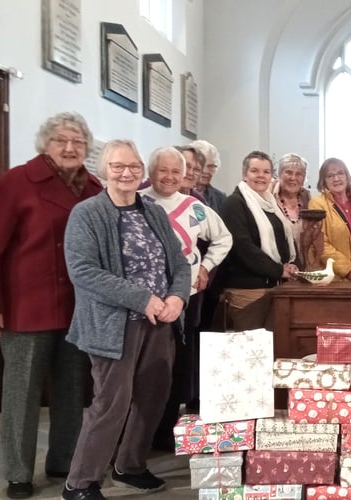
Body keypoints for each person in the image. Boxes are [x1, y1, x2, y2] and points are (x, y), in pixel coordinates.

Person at [0, 111, 103, 499]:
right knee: (21, 394)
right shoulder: (17, 182)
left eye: (77, 141)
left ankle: (64, 462)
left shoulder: (94, 187)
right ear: (45, 144)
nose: (69, 147)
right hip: (26, 308)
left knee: (71, 392)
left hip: (79, 309)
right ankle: (17, 472)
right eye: (61, 139)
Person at [61, 140, 190, 500]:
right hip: (113, 325)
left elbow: (179, 264)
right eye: (118, 166)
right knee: (111, 404)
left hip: (159, 322)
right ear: (103, 172)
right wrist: (141, 297)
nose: (127, 173)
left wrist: (178, 296)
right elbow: (83, 271)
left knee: (153, 397)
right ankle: (81, 483)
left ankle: (129, 465)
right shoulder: (87, 214)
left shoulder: (152, 211)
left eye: (133, 166)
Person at [139, 146, 232, 449]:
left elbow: (224, 238)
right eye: (162, 170)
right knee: (140, 368)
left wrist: (205, 266)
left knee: (174, 367)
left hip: (183, 299)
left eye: (175, 171)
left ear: (184, 175)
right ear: (151, 173)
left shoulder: (194, 207)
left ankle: (165, 430)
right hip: (143, 299)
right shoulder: (138, 201)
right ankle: (135, 438)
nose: (169, 177)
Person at [220, 151, 299, 330]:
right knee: (251, 349)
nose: (261, 176)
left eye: (266, 172)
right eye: (255, 171)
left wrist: (291, 264)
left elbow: (285, 239)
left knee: (272, 345)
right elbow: (243, 247)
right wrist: (279, 270)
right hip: (247, 289)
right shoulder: (234, 203)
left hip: (272, 285)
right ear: (244, 174)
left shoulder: (270, 204)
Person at [308, 157, 351, 281]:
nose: (337, 178)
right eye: (330, 175)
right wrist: (348, 270)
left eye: (340, 173)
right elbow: (320, 243)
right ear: (323, 181)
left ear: (347, 176)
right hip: (333, 281)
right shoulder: (316, 204)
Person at [273, 153, 312, 268]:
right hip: (278, 269)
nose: (293, 178)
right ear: (279, 174)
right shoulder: (269, 199)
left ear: (304, 178)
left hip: (306, 269)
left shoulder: (309, 200)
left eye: (298, 174)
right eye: (288, 172)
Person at [190, 139, 227, 215]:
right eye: (202, 165)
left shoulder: (220, 198)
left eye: (211, 166)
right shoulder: (180, 193)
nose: (206, 171)